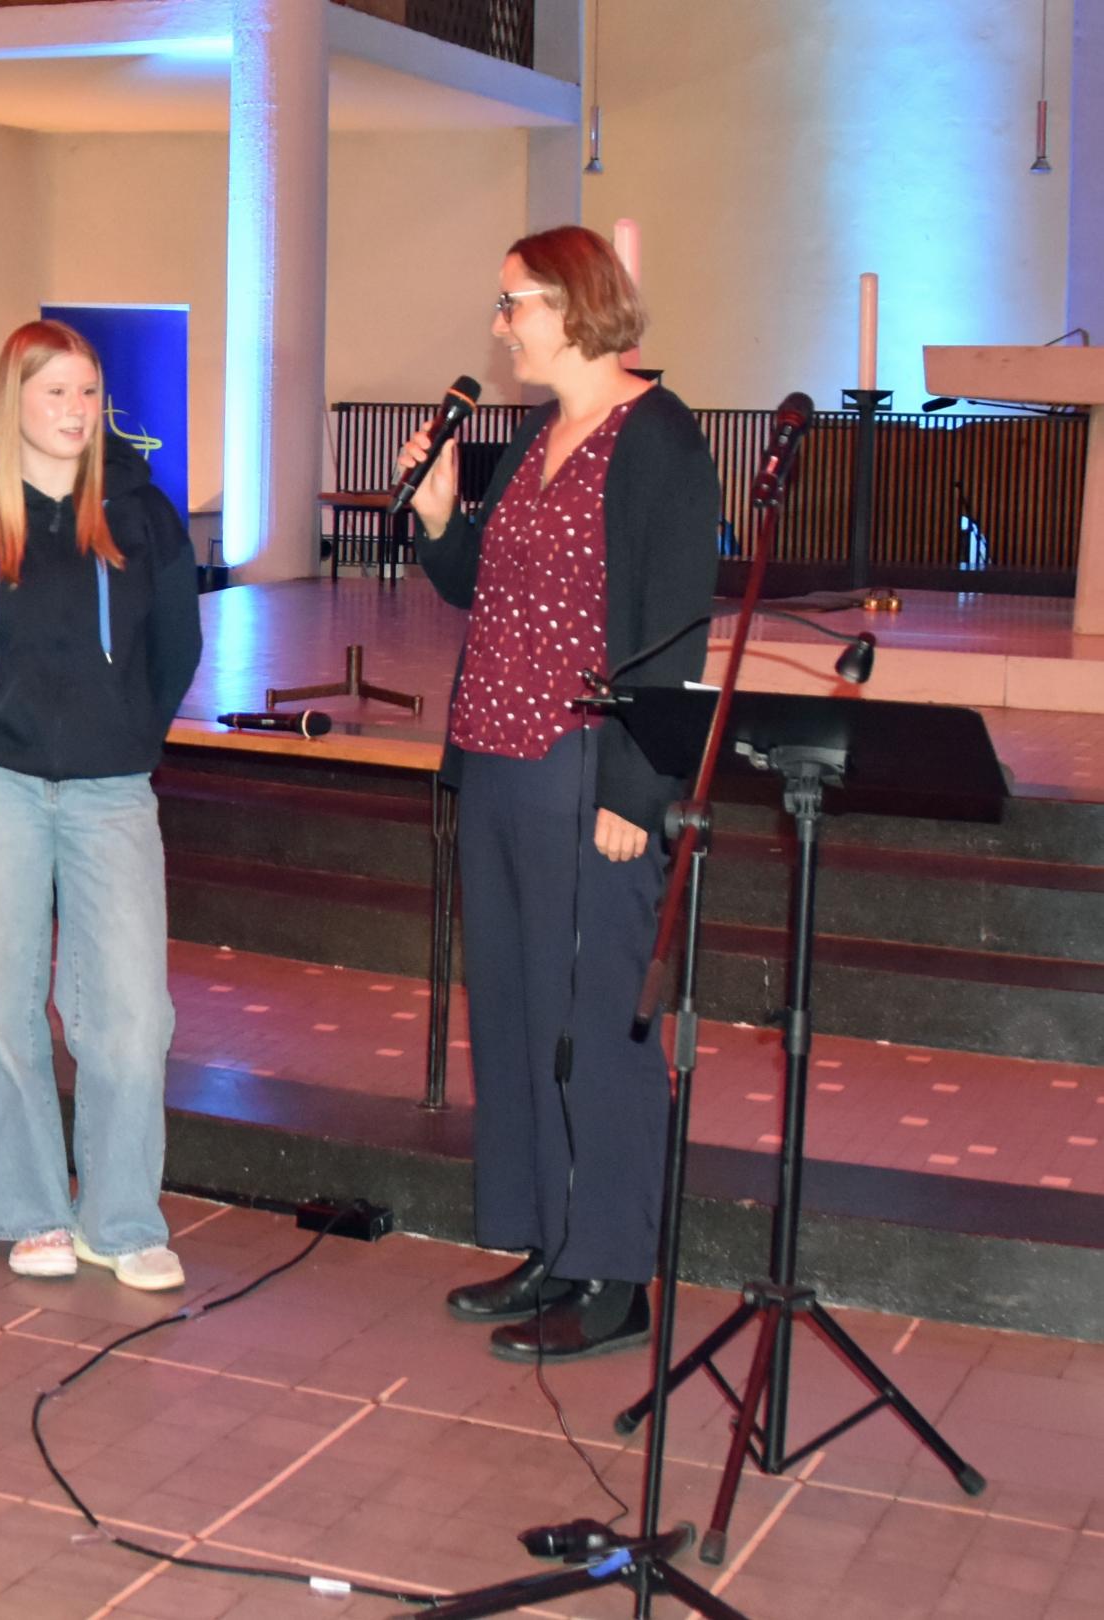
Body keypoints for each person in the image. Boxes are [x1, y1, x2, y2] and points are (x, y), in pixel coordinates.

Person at [398, 225, 719, 1361]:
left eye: (515, 302)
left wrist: (639, 788)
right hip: (496, 758)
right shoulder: (539, 432)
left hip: (589, 766)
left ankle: (616, 1275)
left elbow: (676, 630)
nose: (501, 325)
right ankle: (547, 1242)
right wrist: (439, 514)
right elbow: (479, 586)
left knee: (599, 1028)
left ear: (576, 303)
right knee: (521, 1015)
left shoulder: (659, 439)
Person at [0, 321, 202, 1291]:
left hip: (112, 790)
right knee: (5, 1006)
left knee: (133, 1014)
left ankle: (122, 1218)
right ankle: (32, 1208)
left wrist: (125, 734)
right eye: (57, 393)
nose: (78, 411)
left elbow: (177, 649)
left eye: (89, 394)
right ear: (15, 402)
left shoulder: (144, 516)